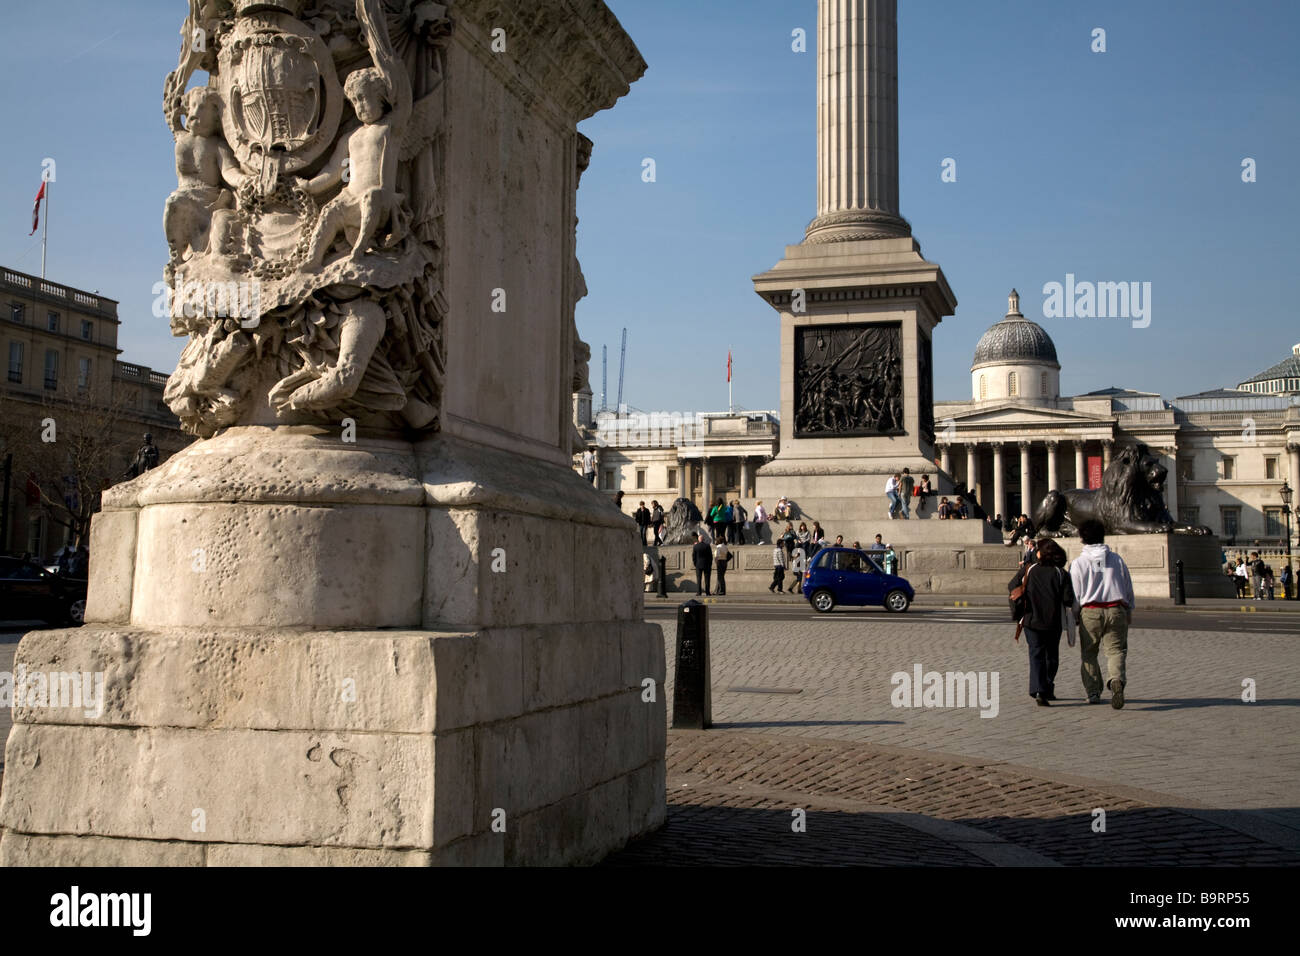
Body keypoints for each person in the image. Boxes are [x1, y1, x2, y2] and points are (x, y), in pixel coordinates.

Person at [1070, 518, 1136, 708]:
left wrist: (1074, 615)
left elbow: (1076, 594)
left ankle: (1093, 692)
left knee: (1089, 653)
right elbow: (1127, 586)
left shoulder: (1079, 563)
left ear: (1082, 538)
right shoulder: (1117, 560)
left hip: (1090, 611)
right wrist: (1129, 607)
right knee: (1116, 651)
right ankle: (1116, 679)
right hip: (1116, 608)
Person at [1010, 538, 1076, 706]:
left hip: (1031, 619)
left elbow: (1012, 585)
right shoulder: (1061, 573)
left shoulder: (1029, 569)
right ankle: (1046, 687)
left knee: (1036, 654)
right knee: (1051, 656)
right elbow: (1068, 599)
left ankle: (1039, 689)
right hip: (1053, 621)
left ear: (1041, 553)